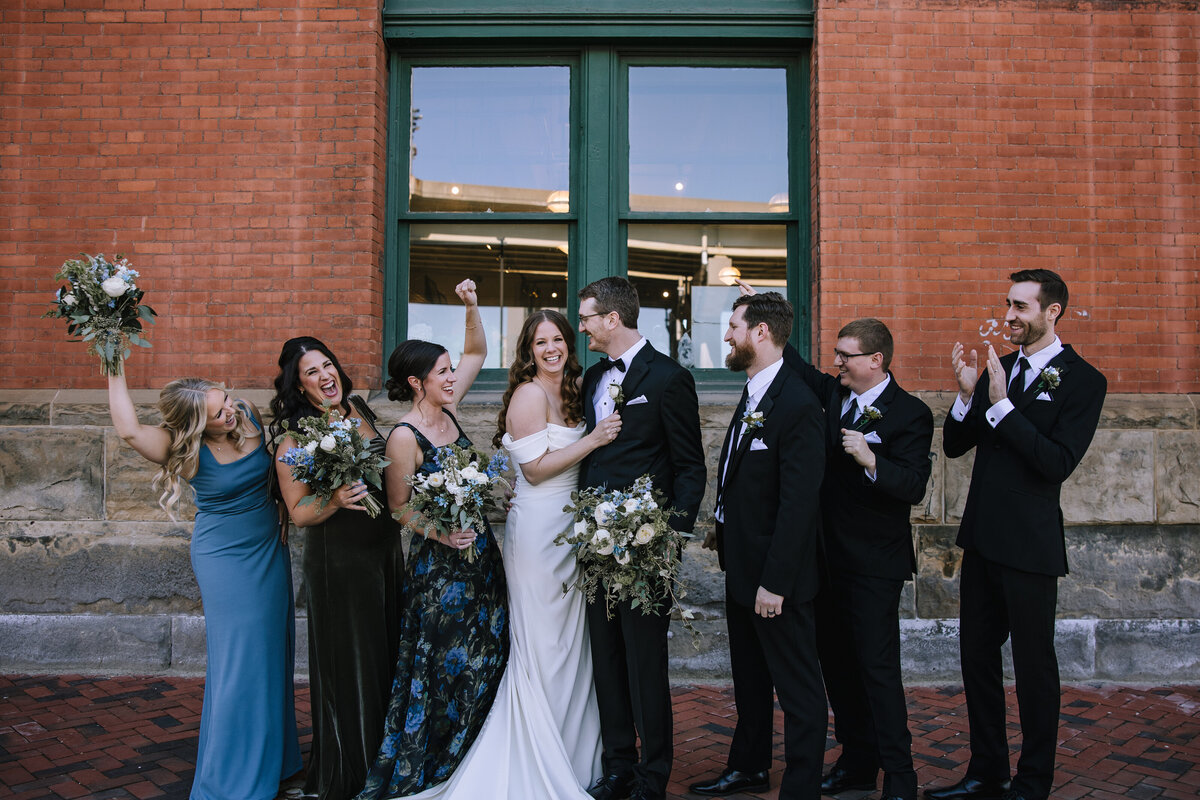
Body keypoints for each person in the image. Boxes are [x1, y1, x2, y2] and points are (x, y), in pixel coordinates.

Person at [384, 309, 624, 798]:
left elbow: (514, 468)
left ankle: (574, 754)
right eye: (541, 342)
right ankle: (534, 754)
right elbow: (534, 471)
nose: (552, 348)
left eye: (559, 339)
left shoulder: (571, 389)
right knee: (543, 644)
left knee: (569, 644)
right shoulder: (527, 395)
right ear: (528, 351)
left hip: (564, 527)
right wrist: (596, 438)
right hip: (534, 534)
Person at [926, 270, 1106, 800]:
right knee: (976, 660)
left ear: (1052, 313)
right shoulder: (998, 369)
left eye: (1021, 307)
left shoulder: (1083, 380)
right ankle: (986, 772)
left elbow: (1056, 463)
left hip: (1030, 547)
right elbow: (958, 445)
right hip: (982, 540)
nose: (1009, 316)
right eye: (1008, 304)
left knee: (1033, 668)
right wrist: (966, 396)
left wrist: (1002, 407)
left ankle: (1033, 781)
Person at [105, 368, 301, 800]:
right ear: (197, 422)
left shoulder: (248, 413)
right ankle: (232, 779)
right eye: (218, 412)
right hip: (225, 559)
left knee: (272, 652)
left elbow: (275, 478)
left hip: (269, 547)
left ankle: (276, 761)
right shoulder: (181, 445)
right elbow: (128, 430)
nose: (230, 410)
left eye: (226, 399)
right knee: (239, 662)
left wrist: (285, 506)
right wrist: (114, 360)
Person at [356, 279, 509, 798]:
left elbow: (477, 349)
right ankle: (440, 761)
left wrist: (470, 303)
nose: (453, 376)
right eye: (442, 372)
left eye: (450, 370)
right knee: (447, 664)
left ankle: (477, 756)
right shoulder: (404, 436)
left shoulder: (449, 408)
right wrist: (442, 533)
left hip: (481, 558)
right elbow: (399, 509)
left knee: (487, 652)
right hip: (440, 571)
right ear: (417, 383)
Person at [781, 317, 933, 800]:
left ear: (876, 360)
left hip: (873, 566)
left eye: (846, 355)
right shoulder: (832, 396)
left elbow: (913, 486)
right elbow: (795, 366)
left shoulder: (910, 413)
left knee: (877, 670)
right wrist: (766, 317)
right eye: (837, 354)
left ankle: (901, 776)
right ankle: (857, 762)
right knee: (839, 669)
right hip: (825, 563)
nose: (837, 362)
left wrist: (872, 460)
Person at [689, 292, 826, 800]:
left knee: (798, 689)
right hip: (742, 564)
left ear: (761, 332)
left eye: (733, 327)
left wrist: (775, 581)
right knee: (749, 679)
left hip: (775, 578)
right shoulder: (755, 390)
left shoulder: (796, 402)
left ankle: (801, 787)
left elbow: (798, 505)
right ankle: (748, 767)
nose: (726, 336)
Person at [577, 276, 706, 800]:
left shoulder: (670, 378)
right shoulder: (592, 378)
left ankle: (653, 774)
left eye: (586, 317)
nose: (580, 325)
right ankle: (618, 766)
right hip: (593, 541)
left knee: (644, 662)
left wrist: (669, 537)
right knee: (604, 658)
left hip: (645, 546)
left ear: (612, 319)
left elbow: (690, 467)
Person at [271, 337, 405, 800]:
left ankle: (388, 759)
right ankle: (354, 767)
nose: (325, 376)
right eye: (312, 372)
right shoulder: (293, 436)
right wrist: (334, 498)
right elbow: (299, 510)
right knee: (354, 663)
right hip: (340, 561)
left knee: (385, 654)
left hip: (384, 552)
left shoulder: (356, 408)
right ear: (299, 385)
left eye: (328, 364)